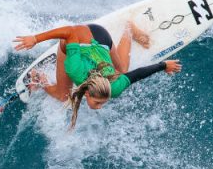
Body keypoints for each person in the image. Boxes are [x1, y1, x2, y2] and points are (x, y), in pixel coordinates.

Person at [13, 21, 182, 129]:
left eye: (101, 102)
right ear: (87, 93)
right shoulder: (75, 69)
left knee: (121, 71)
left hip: (102, 38)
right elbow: (70, 32)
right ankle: (39, 78)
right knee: (63, 96)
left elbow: (136, 75)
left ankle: (129, 29)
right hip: (79, 38)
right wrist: (35, 38)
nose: (101, 105)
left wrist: (164, 65)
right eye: (99, 102)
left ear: (87, 92)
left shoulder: (113, 87)